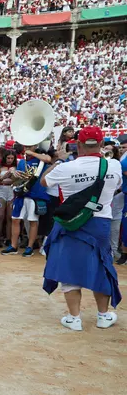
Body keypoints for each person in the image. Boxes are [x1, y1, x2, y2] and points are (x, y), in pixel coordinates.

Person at [40, 127, 120, 331]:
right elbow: (117, 185)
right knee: (102, 268)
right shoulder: (113, 165)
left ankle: (74, 318)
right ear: (101, 144)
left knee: (69, 269)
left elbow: (44, 181)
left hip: (70, 224)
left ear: (78, 145)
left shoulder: (65, 167)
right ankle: (103, 315)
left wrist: (59, 159)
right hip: (100, 223)